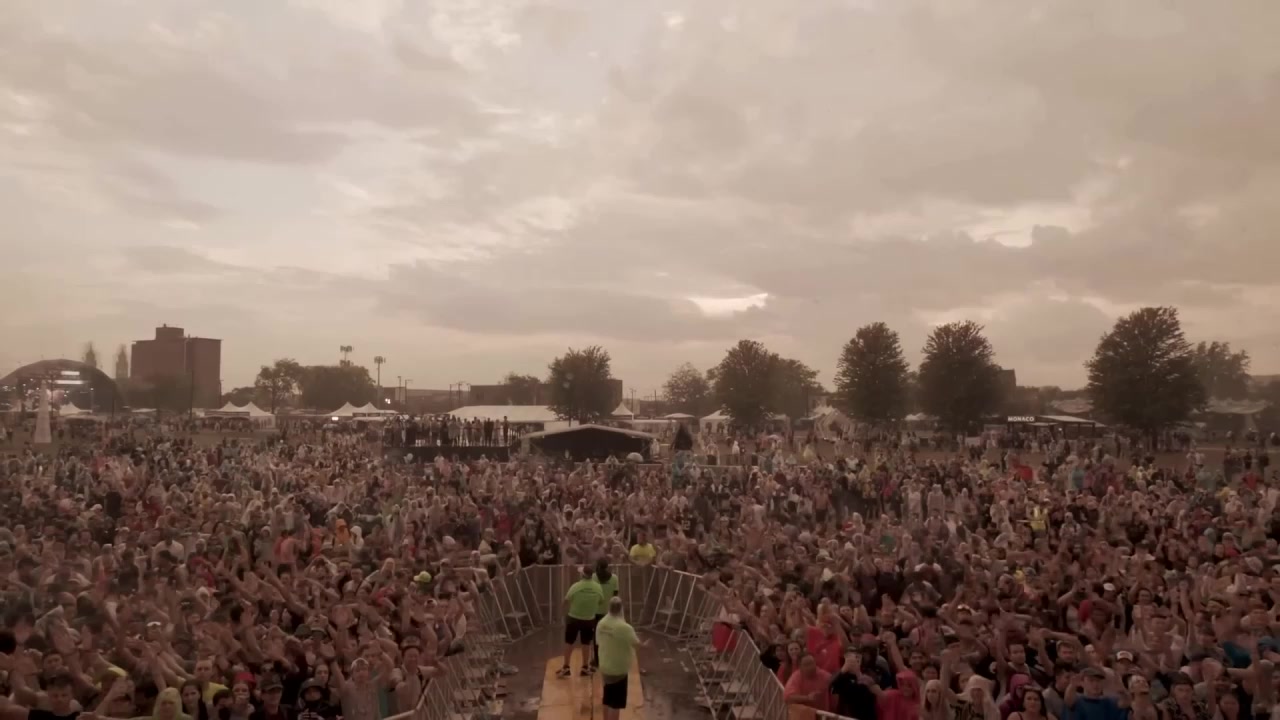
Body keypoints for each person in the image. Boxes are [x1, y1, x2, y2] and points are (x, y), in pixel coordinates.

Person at [595, 597, 642, 720]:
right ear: (621, 609)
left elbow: (599, 642)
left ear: (609, 608)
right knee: (615, 705)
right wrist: (647, 645)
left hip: (604, 667)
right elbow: (637, 645)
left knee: (607, 699)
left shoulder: (601, 623)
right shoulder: (625, 628)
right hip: (618, 670)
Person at [559, 566, 603, 678]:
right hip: (589, 619)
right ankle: (584, 667)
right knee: (586, 643)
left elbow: (565, 601)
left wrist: (563, 613)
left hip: (573, 618)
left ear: (582, 575)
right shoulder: (597, 587)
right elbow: (601, 601)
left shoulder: (576, 586)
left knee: (569, 642)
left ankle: (566, 667)